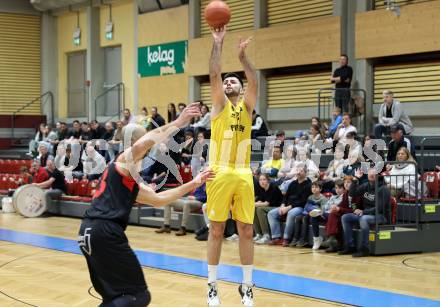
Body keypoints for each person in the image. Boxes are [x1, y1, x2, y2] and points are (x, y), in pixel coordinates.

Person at [77, 103, 213, 306]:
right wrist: (178, 122)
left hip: (88, 232)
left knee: (116, 296)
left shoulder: (127, 178)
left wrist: (194, 183)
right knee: (137, 295)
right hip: (105, 231)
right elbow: (146, 143)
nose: (151, 146)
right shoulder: (123, 161)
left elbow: (159, 200)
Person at [205, 25, 258, 306]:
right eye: (226, 82)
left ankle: (247, 286)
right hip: (220, 170)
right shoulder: (219, 104)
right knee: (216, 230)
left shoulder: (247, 107)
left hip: (243, 172)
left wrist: (242, 57)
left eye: (233, 81)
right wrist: (218, 43)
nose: (228, 83)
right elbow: (214, 72)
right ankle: (212, 285)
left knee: (246, 231)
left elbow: (254, 79)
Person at [340, 168, 391, 257]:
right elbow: (352, 194)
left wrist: (363, 212)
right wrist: (355, 179)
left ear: (378, 175)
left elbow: (379, 208)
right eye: (369, 173)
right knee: (345, 217)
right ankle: (350, 246)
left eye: (374, 173)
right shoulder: (366, 185)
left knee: (364, 219)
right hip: (366, 214)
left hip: (381, 216)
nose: (371, 174)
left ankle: (365, 248)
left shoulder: (384, 189)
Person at [267, 164, 312, 246]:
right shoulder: (293, 183)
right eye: (297, 170)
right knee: (271, 213)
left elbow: (303, 201)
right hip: (287, 206)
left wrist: (288, 208)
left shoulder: (309, 185)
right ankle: (276, 237)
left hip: (300, 207)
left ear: (306, 173)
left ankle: (286, 238)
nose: (298, 172)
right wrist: (282, 205)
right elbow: (286, 196)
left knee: (291, 213)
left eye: (301, 171)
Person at [291, 181, 327, 248]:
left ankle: (304, 239)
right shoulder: (310, 197)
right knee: (298, 218)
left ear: (320, 189)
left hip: (318, 215)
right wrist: (307, 212)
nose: (314, 188)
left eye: (316, 187)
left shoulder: (323, 198)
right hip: (309, 213)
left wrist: (314, 211)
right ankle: (296, 238)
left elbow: (323, 210)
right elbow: (306, 208)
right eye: (312, 187)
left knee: (305, 218)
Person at [253, 173, 283, 245]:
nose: (262, 182)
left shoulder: (273, 187)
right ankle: (258, 234)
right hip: (269, 207)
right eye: (260, 180)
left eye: (264, 179)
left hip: (278, 207)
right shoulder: (262, 189)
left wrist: (252, 204)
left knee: (259, 209)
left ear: (268, 180)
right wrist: (257, 203)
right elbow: (260, 200)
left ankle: (266, 235)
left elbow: (266, 204)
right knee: (254, 209)